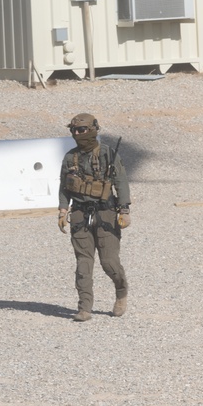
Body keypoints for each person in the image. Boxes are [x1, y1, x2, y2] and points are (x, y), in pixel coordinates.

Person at [57, 113, 131, 322]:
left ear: (93, 129)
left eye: (82, 130)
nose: (78, 134)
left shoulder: (108, 154)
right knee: (83, 263)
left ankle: (121, 291)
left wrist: (124, 211)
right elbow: (64, 187)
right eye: (75, 130)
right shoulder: (70, 158)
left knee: (109, 262)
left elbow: (121, 183)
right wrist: (63, 210)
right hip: (80, 213)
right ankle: (84, 308)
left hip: (106, 212)